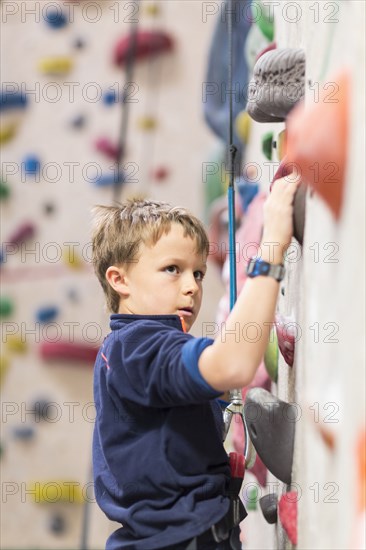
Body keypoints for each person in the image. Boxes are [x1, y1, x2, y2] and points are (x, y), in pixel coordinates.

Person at [91, 174, 300, 550]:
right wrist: (271, 252)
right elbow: (233, 365)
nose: (192, 286)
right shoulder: (137, 347)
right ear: (119, 279)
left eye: (198, 273)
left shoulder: (133, 349)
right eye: (172, 269)